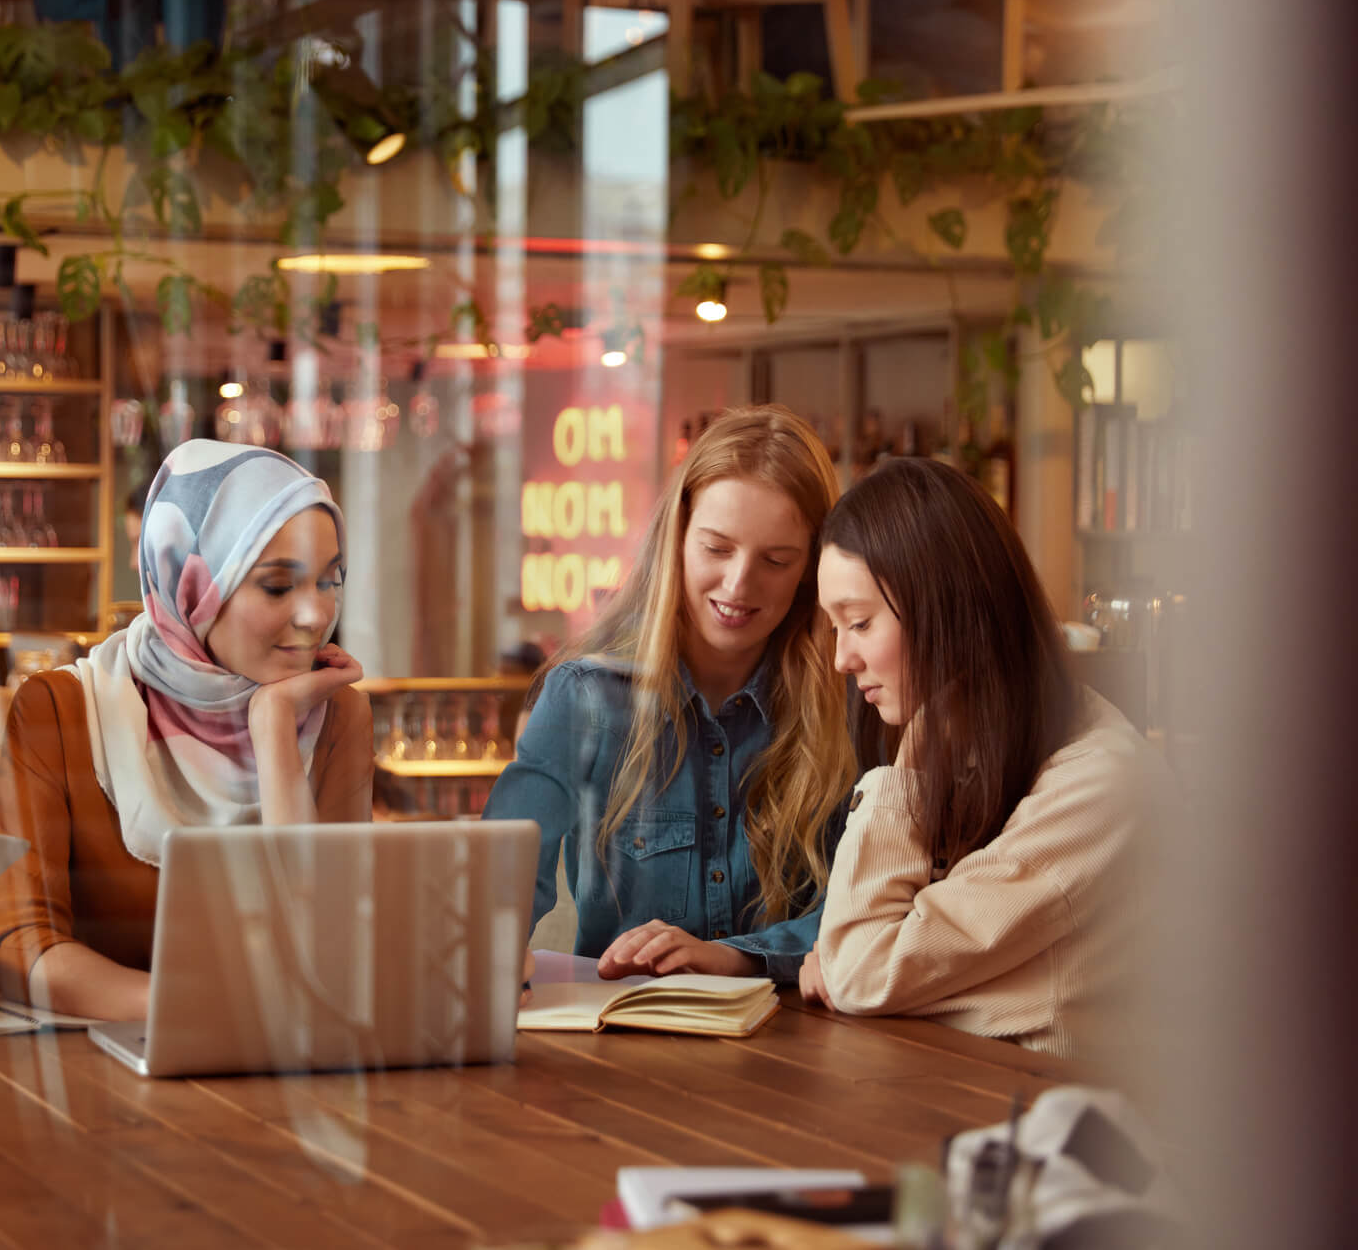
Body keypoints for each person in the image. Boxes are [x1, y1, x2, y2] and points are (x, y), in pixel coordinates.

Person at [0, 440, 372, 1022]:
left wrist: (271, 730)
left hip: (289, 1069)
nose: (314, 615)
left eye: (329, 581)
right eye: (277, 586)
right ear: (190, 582)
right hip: (103, 1074)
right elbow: (22, 947)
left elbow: (327, 949)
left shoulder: (335, 714)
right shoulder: (62, 711)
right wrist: (195, 1010)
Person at [804, 457, 1165, 1058]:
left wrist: (906, 776)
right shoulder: (975, 747)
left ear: (945, 608)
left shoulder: (1099, 785)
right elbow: (875, 969)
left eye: (860, 622)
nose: (843, 659)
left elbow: (859, 971)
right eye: (835, 627)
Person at [483, 405, 855, 986]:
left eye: (776, 561)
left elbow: (873, 912)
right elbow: (499, 881)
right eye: (716, 548)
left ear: (811, 570)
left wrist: (736, 955)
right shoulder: (585, 697)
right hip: (630, 1042)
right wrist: (493, 959)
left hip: (801, 1047)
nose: (738, 584)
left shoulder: (849, 703)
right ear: (676, 538)